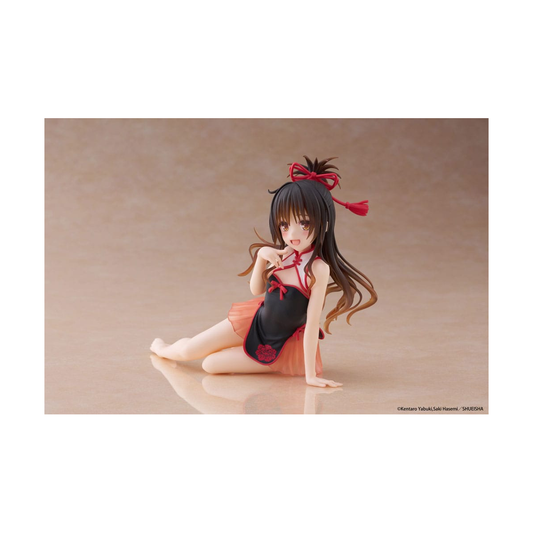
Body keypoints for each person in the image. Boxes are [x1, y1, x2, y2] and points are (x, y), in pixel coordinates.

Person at [150, 156, 377, 388]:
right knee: (189, 350)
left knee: (211, 365)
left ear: (324, 223)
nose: (292, 234)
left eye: (305, 224)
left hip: (281, 344)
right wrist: (261, 256)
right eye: (285, 225)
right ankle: (163, 349)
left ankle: (245, 355)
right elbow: (256, 290)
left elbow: (311, 324)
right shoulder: (284, 253)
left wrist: (311, 375)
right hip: (255, 320)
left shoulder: (318, 268)